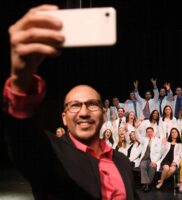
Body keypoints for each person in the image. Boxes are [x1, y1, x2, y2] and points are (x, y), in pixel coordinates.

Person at [2, 4, 138, 200]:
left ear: (104, 114)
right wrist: (21, 81)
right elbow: (23, 142)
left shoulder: (122, 162)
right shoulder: (51, 153)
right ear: (64, 118)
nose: (83, 112)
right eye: (75, 106)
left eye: (92, 104)